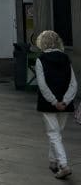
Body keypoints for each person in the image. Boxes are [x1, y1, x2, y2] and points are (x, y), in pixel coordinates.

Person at [35, 30, 77, 179]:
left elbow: (42, 85)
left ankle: (63, 165)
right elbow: (73, 83)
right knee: (57, 133)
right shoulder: (65, 58)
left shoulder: (41, 59)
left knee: (53, 133)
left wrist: (53, 101)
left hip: (48, 104)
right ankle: (53, 161)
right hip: (65, 104)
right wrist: (65, 100)